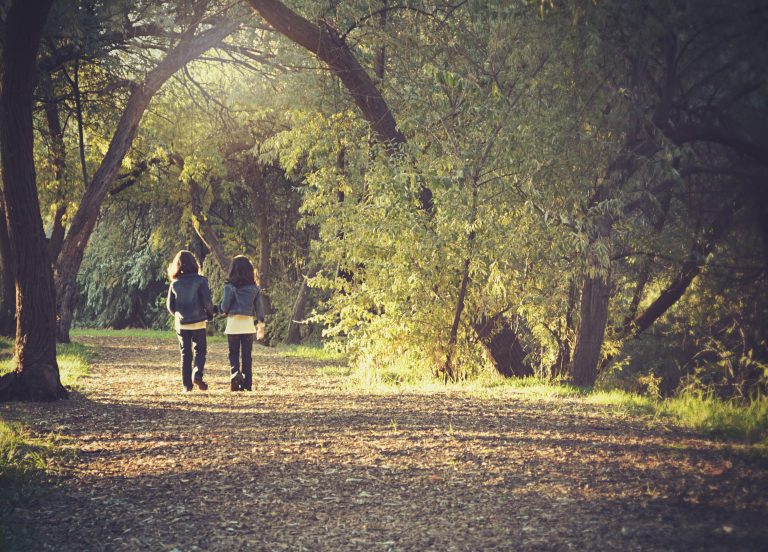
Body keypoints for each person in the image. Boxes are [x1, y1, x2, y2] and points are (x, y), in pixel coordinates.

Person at [166, 250, 216, 392]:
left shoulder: (175, 283)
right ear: (194, 263)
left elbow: (170, 306)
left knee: (185, 353)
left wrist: (179, 315)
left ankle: (187, 386)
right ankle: (197, 373)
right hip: (198, 321)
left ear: (177, 265)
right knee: (200, 350)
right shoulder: (201, 281)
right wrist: (211, 313)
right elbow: (207, 301)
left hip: (182, 323)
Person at [219, 255, 266, 391]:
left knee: (233, 353)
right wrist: (261, 324)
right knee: (247, 356)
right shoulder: (254, 288)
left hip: (233, 325)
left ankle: (235, 373)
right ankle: (247, 384)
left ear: (233, 270)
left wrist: (222, 310)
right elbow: (259, 309)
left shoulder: (229, 286)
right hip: (247, 326)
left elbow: (224, 307)